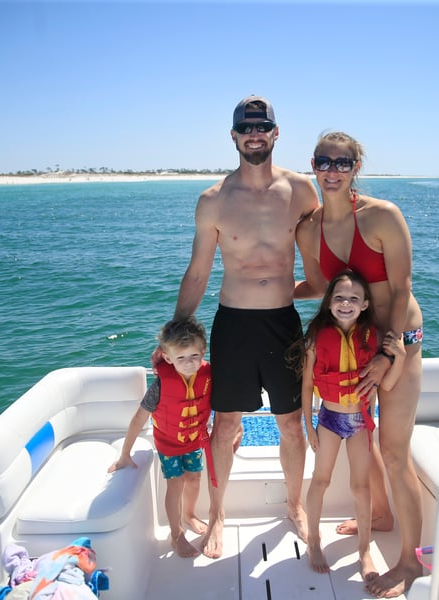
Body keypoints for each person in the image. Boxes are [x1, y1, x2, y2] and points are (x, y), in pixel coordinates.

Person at [167, 96, 320, 559]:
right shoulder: (213, 200)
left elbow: (320, 269)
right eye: (246, 128)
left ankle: (295, 505)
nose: (255, 134)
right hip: (232, 324)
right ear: (233, 136)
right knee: (226, 423)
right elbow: (198, 273)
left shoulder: (301, 191)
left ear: (276, 133)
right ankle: (217, 515)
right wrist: (173, 334)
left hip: (282, 323)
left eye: (262, 126)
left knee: (291, 423)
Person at [295, 131, 424, 598]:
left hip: (397, 340)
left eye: (342, 163)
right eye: (324, 161)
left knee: (393, 450)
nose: (332, 170)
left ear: (355, 168)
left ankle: (409, 562)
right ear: (313, 165)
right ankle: (381, 515)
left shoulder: (382, 215)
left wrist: (391, 350)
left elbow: (402, 287)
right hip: (358, 344)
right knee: (360, 436)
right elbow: (317, 286)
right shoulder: (308, 229)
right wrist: (262, 291)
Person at [300, 269, 402, 581]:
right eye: (340, 297)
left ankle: (364, 551)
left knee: (361, 486)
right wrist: (309, 426)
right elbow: (307, 386)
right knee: (320, 481)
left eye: (354, 298)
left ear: (365, 304)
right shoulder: (316, 337)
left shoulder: (373, 338)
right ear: (329, 302)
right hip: (329, 420)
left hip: (360, 422)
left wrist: (398, 356)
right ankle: (314, 541)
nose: (346, 303)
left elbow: (387, 384)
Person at [108, 316, 212, 558]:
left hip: (193, 440)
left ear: (203, 351)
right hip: (169, 445)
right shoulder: (161, 386)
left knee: (194, 479)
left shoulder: (208, 376)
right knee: (176, 484)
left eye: (194, 356)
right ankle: (176, 534)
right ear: (167, 358)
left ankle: (189, 514)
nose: (189, 363)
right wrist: (125, 454)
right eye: (181, 358)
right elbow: (138, 419)